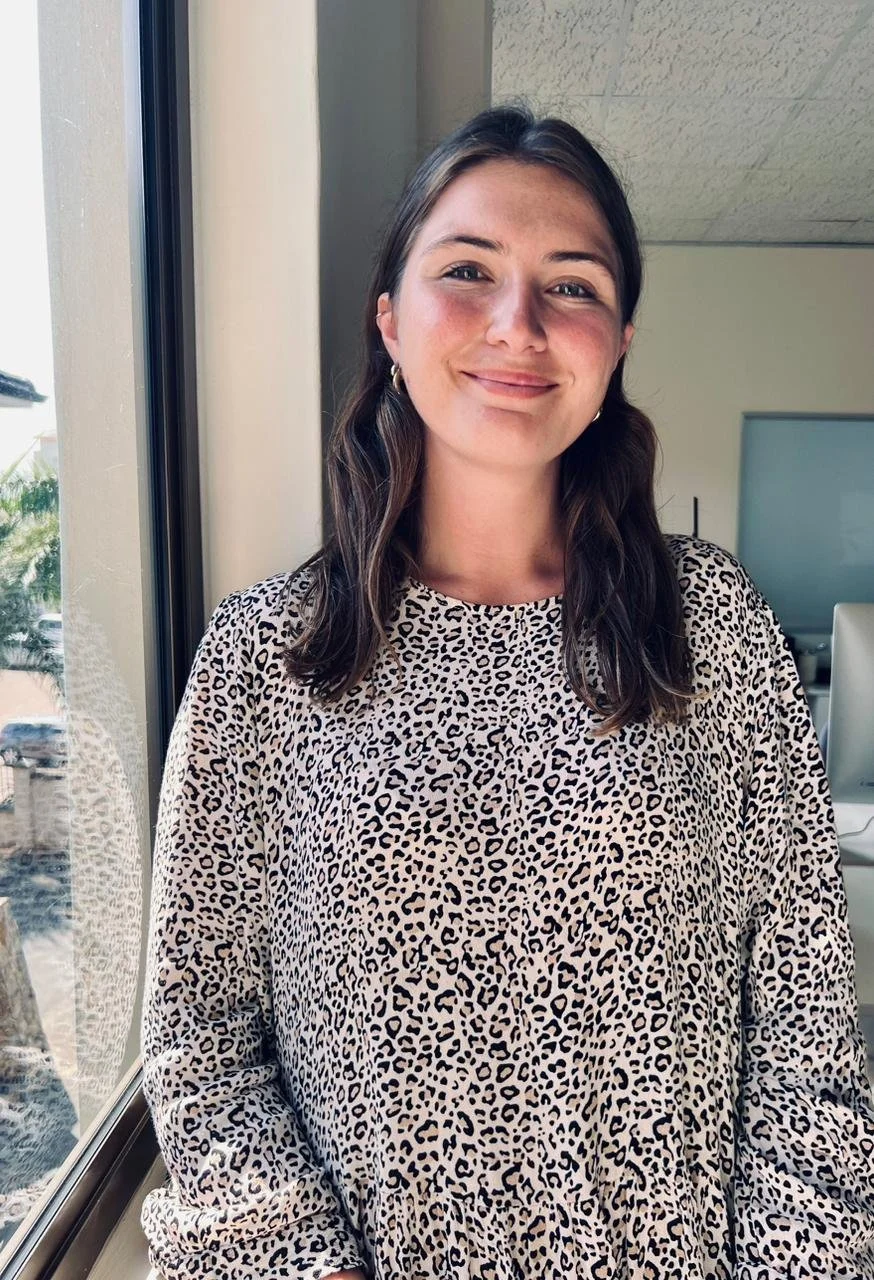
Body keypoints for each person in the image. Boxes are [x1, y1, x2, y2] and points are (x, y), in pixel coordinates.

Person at [139, 105, 874, 1280]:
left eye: (570, 285)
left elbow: (804, 1029)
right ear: (390, 318)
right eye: (466, 270)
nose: (516, 323)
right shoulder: (265, 654)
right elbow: (200, 1035)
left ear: (618, 340)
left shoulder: (710, 628)